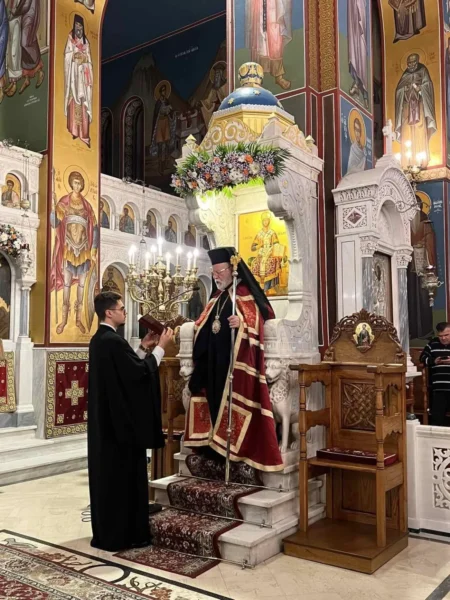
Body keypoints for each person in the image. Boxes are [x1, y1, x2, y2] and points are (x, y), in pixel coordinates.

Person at [184, 246, 283, 472]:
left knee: (229, 403)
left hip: (233, 364)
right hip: (212, 363)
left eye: (219, 272)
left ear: (232, 269)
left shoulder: (244, 293)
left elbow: (261, 319)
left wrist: (242, 324)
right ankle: (212, 447)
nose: (215, 277)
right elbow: (203, 323)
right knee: (212, 402)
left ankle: (231, 449)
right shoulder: (217, 297)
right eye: (213, 273)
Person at [88, 291, 173, 551]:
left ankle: (108, 532)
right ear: (109, 312)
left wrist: (143, 347)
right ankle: (125, 534)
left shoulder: (100, 340)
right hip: (120, 429)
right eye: (122, 308)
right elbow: (138, 374)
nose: (125, 312)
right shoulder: (112, 341)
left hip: (106, 424)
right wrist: (161, 347)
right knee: (122, 480)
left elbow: (125, 370)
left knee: (109, 480)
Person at [50, 171, 98, 335]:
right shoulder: (64, 202)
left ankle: (78, 320)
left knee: (82, 286)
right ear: (71, 184)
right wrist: (53, 209)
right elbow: (54, 223)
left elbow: (95, 228)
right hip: (69, 248)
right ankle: (64, 321)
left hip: (83, 249)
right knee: (67, 284)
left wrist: (93, 249)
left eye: (79, 183)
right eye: (75, 183)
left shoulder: (87, 206)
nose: (77, 186)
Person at [394, 53, 436, 168]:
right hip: (407, 108)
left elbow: (428, 86)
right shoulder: (405, 75)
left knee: (419, 130)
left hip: (419, 106)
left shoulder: (423, 71)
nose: (411, 65)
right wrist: (404, 89)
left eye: (413, 62)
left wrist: (419, 88)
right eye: (409, 63)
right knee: (406, 131)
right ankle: (406, 163)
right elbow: (398, 91)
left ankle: (421, 161)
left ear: (417, 61)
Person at [246, 0, 292, 90]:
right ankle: (258, 75)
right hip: (258, 5)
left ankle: (278, 76)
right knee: (260, 42)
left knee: (275, 40)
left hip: (274, 7)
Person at [64, 14, 93, 147]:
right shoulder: (70, 40)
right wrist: (74, 57)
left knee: (83, 102)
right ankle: (74, 130)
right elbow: (67, 56)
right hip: (74, 76)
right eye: (76, 25)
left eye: (80, 26)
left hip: (83, 77)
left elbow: (90, 61)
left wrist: (84, 60)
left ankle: (84, 133)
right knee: (74, 99)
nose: (78, 28)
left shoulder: (87, 43)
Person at [420, 322, 450, 426]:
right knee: (437, 418)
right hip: (438, 387)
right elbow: (422, 358)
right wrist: (434, 361)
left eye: (446, 335)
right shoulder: (432, 344)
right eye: (440, 336)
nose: (443, 338)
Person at [250, 211, 282, 293]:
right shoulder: (259, 234)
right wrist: (259, 245)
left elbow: (276, 244)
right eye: (264, 220)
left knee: (269, 264)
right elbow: (252, 248)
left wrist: (273, 249)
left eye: (267, 220)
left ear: (269, 221)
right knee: (255, 264)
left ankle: (268, 287)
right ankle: (258, 289)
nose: (265, 222)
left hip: (270, 254)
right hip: (261, 254)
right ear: (262, 221)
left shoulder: (272, 233)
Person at [348, 0, 368, 108]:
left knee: (360, 46)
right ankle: (356, 81)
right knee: (353, 45)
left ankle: (361, 85)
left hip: (360, 9)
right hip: (353, 13)